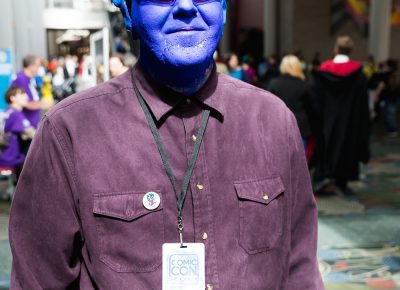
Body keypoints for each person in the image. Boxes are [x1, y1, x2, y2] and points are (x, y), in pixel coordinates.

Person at [9, 0, 324, 289]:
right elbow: (38, 279)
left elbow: (301, 270)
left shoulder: (272, 121)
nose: (186, 6)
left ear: (224, 11)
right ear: (129, 14)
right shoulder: (70, 131)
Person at [312, 36, 370, 195]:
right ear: (350, 50)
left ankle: (326, 178)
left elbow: (316, 100)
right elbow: (363, 103)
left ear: (335, 49)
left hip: (327, 120)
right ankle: (341, 181)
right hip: (349, 120)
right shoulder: (359, 73)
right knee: (346, 146)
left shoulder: (323, 71)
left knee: (327, 145)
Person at [268, 55, 312, 150]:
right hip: (300, 127)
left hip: (279, 127)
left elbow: (268, 108)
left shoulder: (273, 84)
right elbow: (311, 109)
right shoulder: (305, 85)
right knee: (300, 162)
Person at [0, 87, 35, 179]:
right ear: (13, 98)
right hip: (10, 157)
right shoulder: (16, 114)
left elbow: (23, 135)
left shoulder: (8, 112)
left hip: (4, 155)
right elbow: (32, 134)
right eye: (22, 94)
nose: (26, 96)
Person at [10, 55, 44, 129]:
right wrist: (44, 104)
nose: (39, 68)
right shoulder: (21, 79)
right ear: (31, 66)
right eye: (38, 66)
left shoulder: (29, 79)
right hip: (25, 127)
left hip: (32, 124)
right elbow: (26, 103)